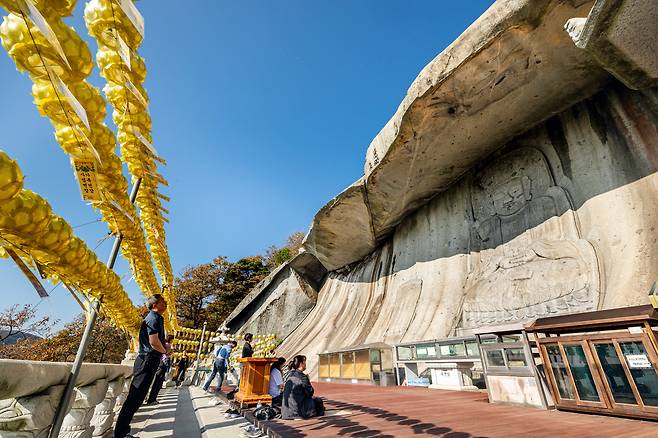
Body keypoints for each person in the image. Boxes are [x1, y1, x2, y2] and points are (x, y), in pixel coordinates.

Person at [114, 294, 168, 438]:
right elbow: (153, 341)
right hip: (147, 359)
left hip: (150, 359)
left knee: (138, 397)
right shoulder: (153, 318)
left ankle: (123, 431)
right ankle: (121, 433)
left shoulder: (156, 318)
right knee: (135, 396)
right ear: (155, 305)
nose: (166, 303)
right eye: (163, 301)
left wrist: (164, 348)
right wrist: (165, 351)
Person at [281, 355, 324, 420]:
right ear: (301, 364)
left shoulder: (289, 375)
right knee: (318, 401)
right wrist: (308, 380)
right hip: (298, 412)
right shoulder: (302, 377)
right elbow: (310, 393)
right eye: (305, 363)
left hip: (286, 413)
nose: (306, 365)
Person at [146, 334, 174, 405]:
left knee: (156, 380)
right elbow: (166, 353)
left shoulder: (163, 343)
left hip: (160, 363)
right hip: (163, 364)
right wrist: (170, 352)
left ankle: (150, 398)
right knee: (158, 382)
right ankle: (152, 399)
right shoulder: (168, 345)